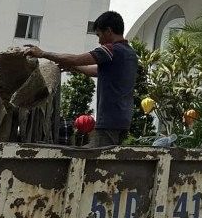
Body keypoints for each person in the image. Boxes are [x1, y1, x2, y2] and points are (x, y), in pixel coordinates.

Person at [24, 10, 138, 148]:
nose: (99, 41)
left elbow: (77, 59)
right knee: (107, 155)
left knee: (92, 156)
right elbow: (95, 71)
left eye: (99, 35)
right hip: (123, 119)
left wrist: (43, 53)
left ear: (109, 31)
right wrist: (73, 67)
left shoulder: (111, 50)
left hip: (109, 119)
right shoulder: (129, 53)